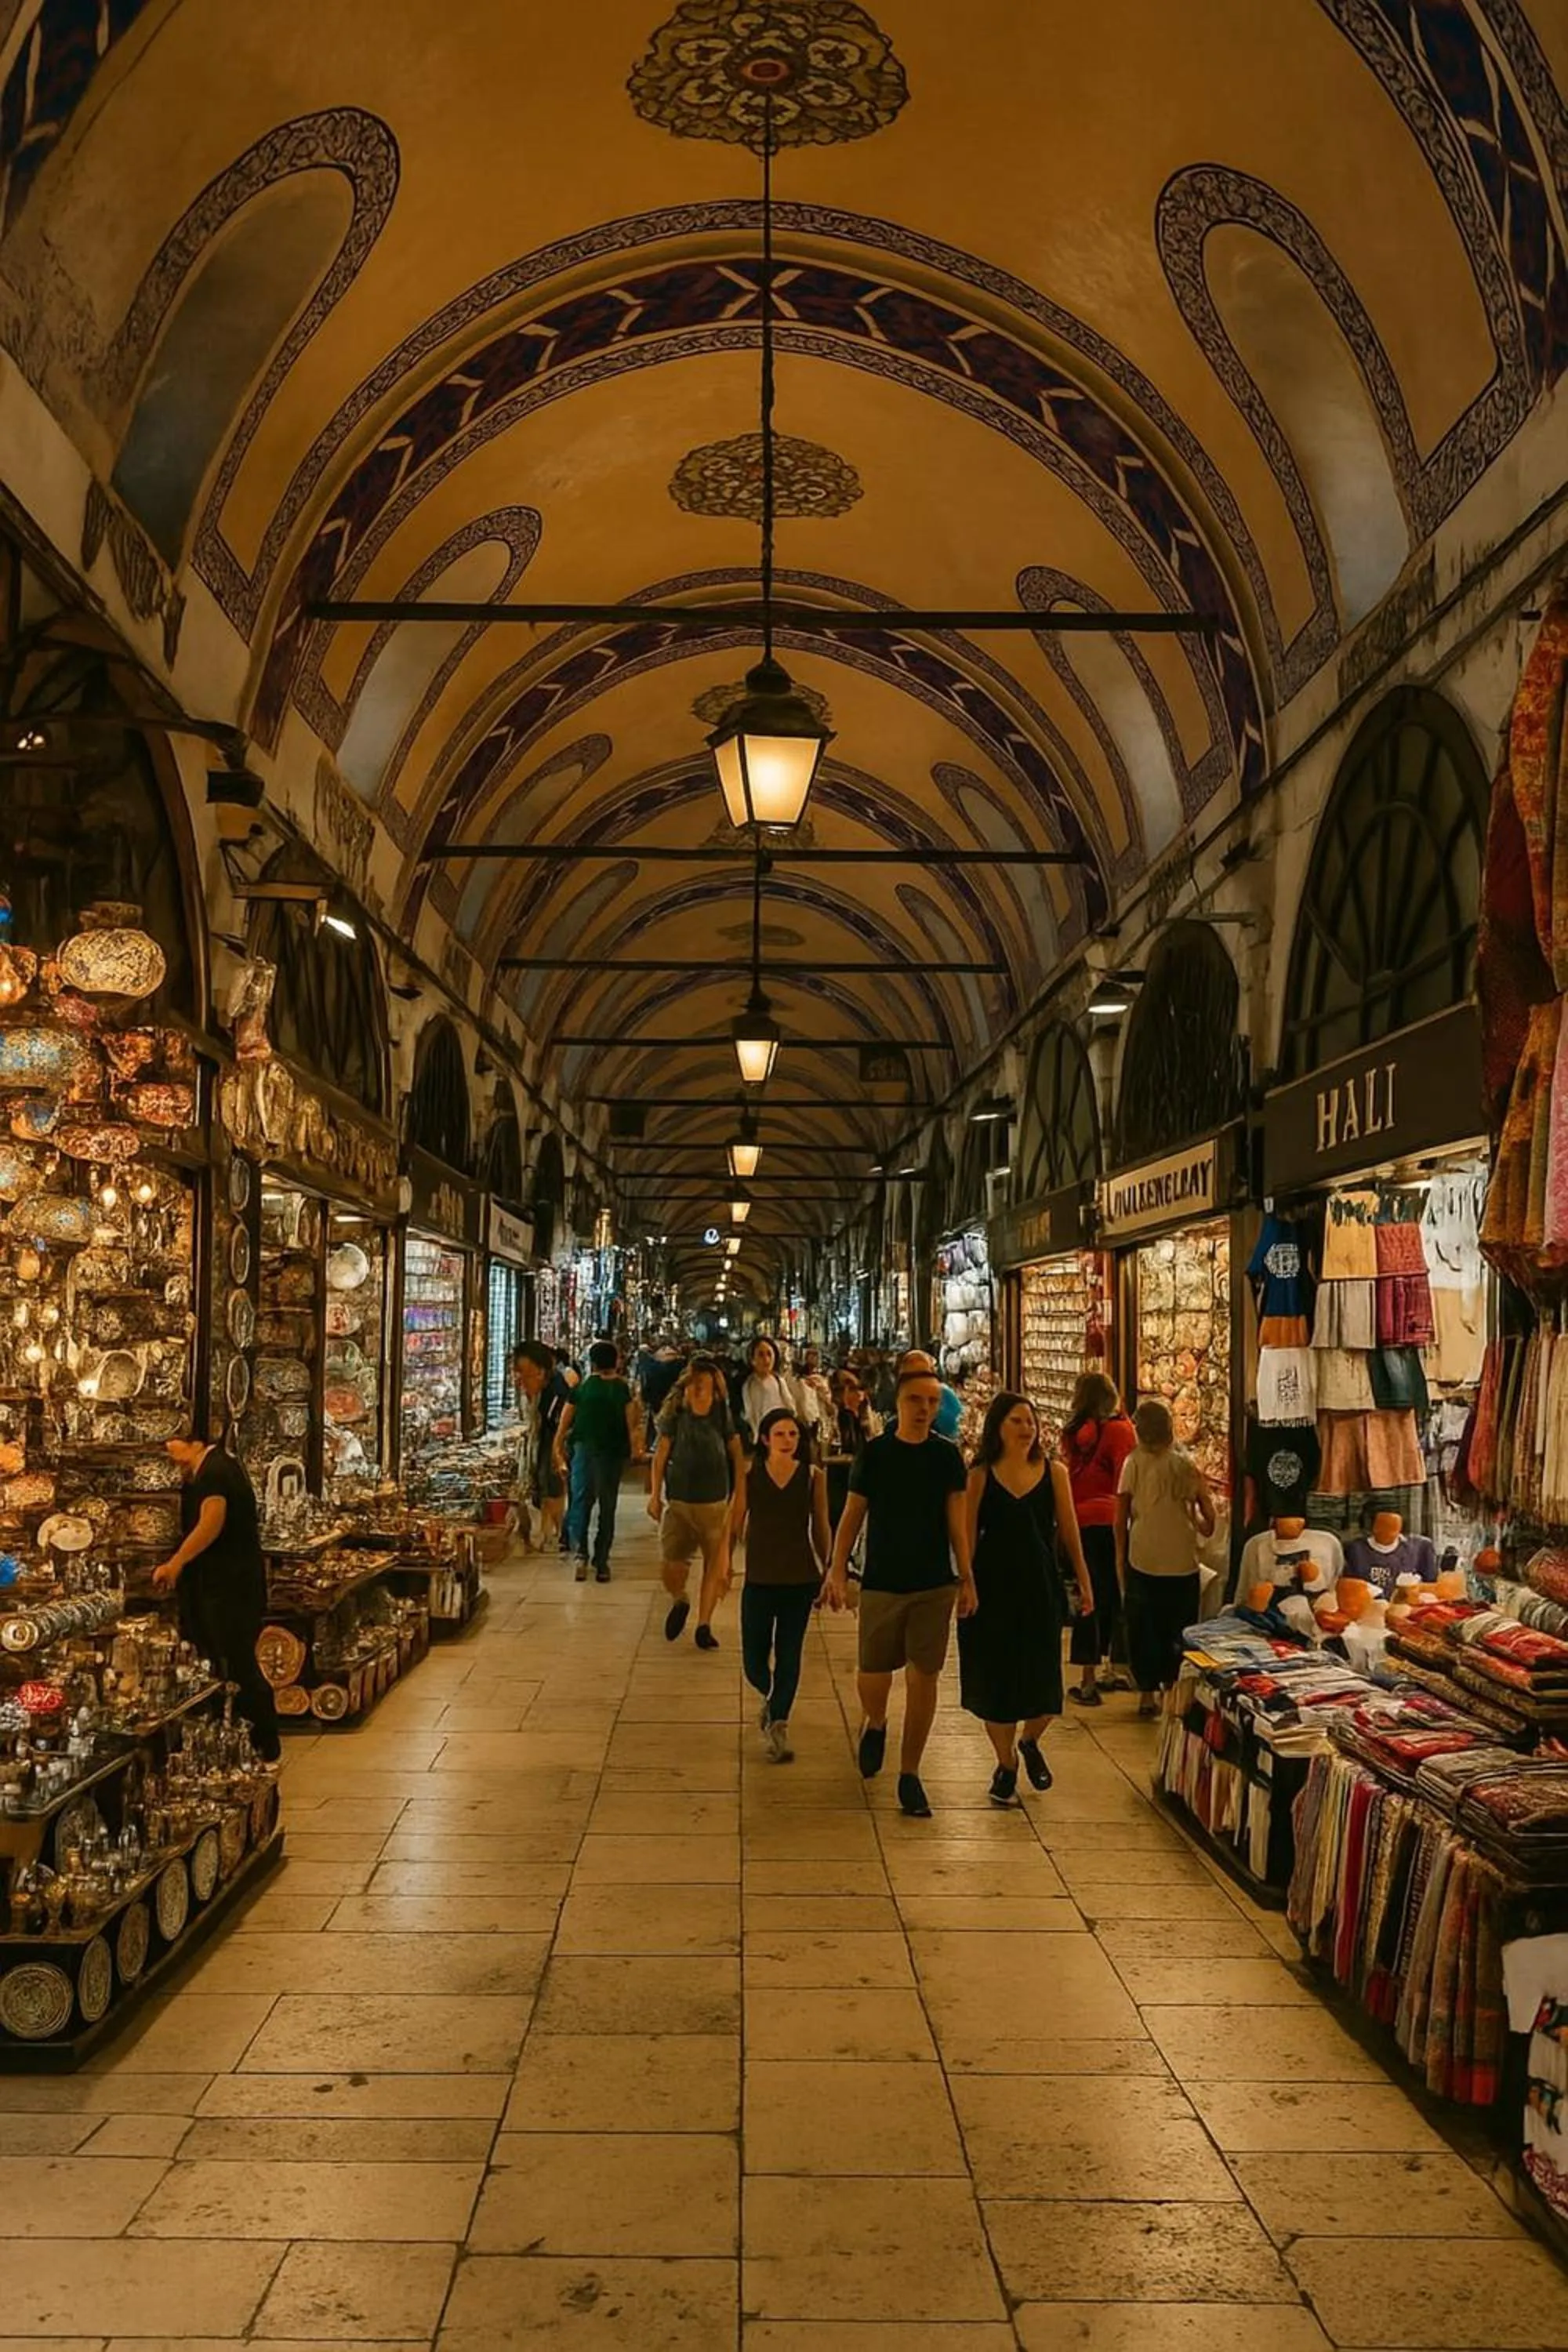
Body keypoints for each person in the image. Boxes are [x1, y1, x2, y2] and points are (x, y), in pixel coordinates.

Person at [826, 1367, 975, 1819]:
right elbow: (853, 1514)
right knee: (873, 1676)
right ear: (899, 1404)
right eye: (916, 1400)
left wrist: (966, 1576)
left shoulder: (948, 1458)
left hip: (933, 1584)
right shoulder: (876, 1454)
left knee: (922, 1678)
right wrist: (836, 1568)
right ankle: (876, 1721)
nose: (925, 1409)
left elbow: (957, 1523)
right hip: (883, 1581)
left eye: (932, 1401)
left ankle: (910, 1774)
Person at [960, 1393, 1094, 1804]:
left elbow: (1069, 1531)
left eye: (1030, 1421)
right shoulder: (980, 1475)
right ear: (998, 1426)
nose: (1025, 1428)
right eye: (1017, 1421)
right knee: (996, 1683)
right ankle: (1005, 1765)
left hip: (1039, 1586)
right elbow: (965, 1535)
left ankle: (1030, 1741)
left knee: (1044, 1685)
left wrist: (1086, 1583)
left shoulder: (1054, 1472)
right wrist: (965, 1583)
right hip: (992, 1588)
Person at [154, 1437, 280, 1762]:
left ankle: (261, 1740)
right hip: (229, 1585)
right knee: (233, 1659)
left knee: (237, 1660)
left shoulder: (215, 1472)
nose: (168, 1455)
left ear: (192, 1442)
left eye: (170, 1446)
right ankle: (245, 1738)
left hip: (227, 1588)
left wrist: (177, 1562)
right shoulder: (219, 1466)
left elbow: (212, 1521)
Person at [731, 1408, 832, 1762]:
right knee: (754, 1659)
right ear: (764, 1439)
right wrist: (723, 1565)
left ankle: (779, 1723)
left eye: (793, 1435)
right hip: (760, 1577)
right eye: (780, 1434)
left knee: (790, 1654)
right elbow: (735, 1519)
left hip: (799, 1577)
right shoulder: (750, 1476)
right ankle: (771, 1699)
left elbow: (820, 1524)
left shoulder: (812, 1477)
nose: (788, 1441)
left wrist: (830, 1569)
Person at [1115, 1396, 1217, 1717]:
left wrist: (1120, 1556)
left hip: (1143, 1555)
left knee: (1144, 1627)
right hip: (1181, 1560)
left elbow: (1120, 1518)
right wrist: (1192, 1519)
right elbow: (1209, 1521)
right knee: (1178, 1627)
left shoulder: (1133, 1464)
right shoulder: (1186, 1465)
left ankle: (1146, 1694)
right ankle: (1173, 1691)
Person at [649, 1352, 746, 1649]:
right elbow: (661, 1455)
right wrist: (655, 1495)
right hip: (679, 1502)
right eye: (694, 1384)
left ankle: (704, 1625)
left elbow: (736, 1453)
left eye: (704, 1384)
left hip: (715, 1503)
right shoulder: (675, 1414)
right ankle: (680, 1599)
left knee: (714, 1566)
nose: (698, 1389)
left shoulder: (721, 1414)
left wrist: (740, 1494)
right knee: (672, 1563)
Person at [1060, 1371, 1138, 1707]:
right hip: (1110, 1522)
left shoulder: (1075, 1433)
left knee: (1088, 1596)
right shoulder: (1121, 1431)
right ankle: (1114, 1670)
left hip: (1079, 1521)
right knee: (1114, 1596)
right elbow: (1127, 1480)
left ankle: (1089, 1678)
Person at [556, 1340, 637, 1582]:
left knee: (581, 1502)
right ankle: (601, 1562)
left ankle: (581, 1553)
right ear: (616, 1362)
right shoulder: (623, 1391)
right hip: (611, 1454)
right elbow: (631, 1425)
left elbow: (564, 1424)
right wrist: (636, 1451)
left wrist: (558, 1450)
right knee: (607, 1506)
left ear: (592, 1363)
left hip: (583, 1452)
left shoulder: (581, 1390)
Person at [513, 1340, 572, 1552]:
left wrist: (558, 1454)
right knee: (547, 1488)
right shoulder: (544, 1390)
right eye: (517, 1373)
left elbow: (560, 1428)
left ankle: (559, 1534)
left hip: (555, 1443)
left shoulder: (556, 1392)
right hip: (546, 1442)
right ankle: (552, 1534)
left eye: (525, 1374)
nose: (520, 1380)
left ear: (541, 1371)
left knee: (552, 1489)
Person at [822, 1364, 881, 1530]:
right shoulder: (835, 1419)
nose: (858, 1395)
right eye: (851, 1389)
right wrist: (849, 1458)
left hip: (862, 1481)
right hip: (839, 1482)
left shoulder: (867, 1418)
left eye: (859, 1389)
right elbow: (824, 1455)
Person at [740, 1335, 804, 1452]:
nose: (766, 1360)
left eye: (769, 1354)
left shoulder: (779, 1382)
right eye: (761, 1355)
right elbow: (750, 1414)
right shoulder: (749, 1386)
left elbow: (790, 1408)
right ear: (752, 1360)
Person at [891, 1348, 963, 1443]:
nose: (925, 1407)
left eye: (933, 1401)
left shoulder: (944, 1393)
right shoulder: (886, 1437)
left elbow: (960, 1421)